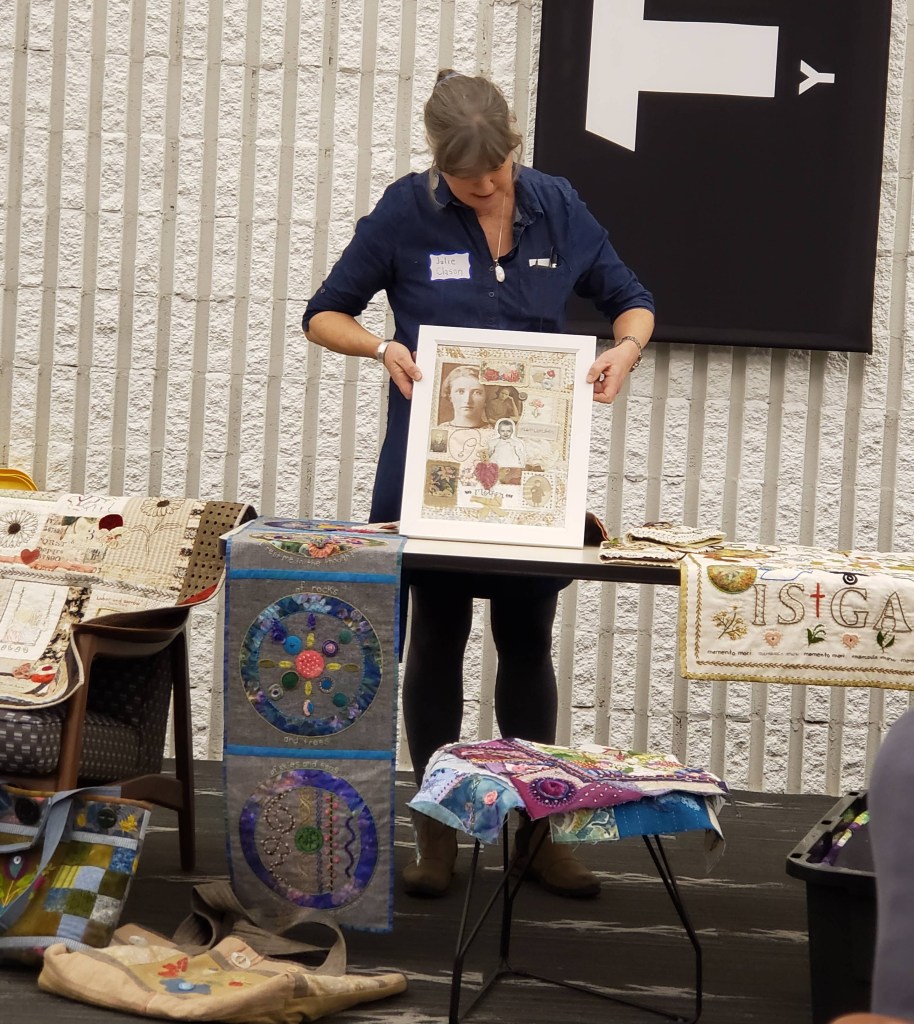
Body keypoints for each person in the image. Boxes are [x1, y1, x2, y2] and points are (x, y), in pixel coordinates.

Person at [303, 68, 654, 899]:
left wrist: (625, 350)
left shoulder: (558, 205)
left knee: (527, 641)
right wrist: (380, 347)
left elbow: (632, 300)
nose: (485, 188)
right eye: (466, 180)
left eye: (495, 172)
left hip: (532, 479)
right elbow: (324, 313)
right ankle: (439, 834)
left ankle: (537, 835)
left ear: (513, 149)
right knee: (438, 639)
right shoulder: (405, 211)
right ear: (437, 162)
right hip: (431, 478)